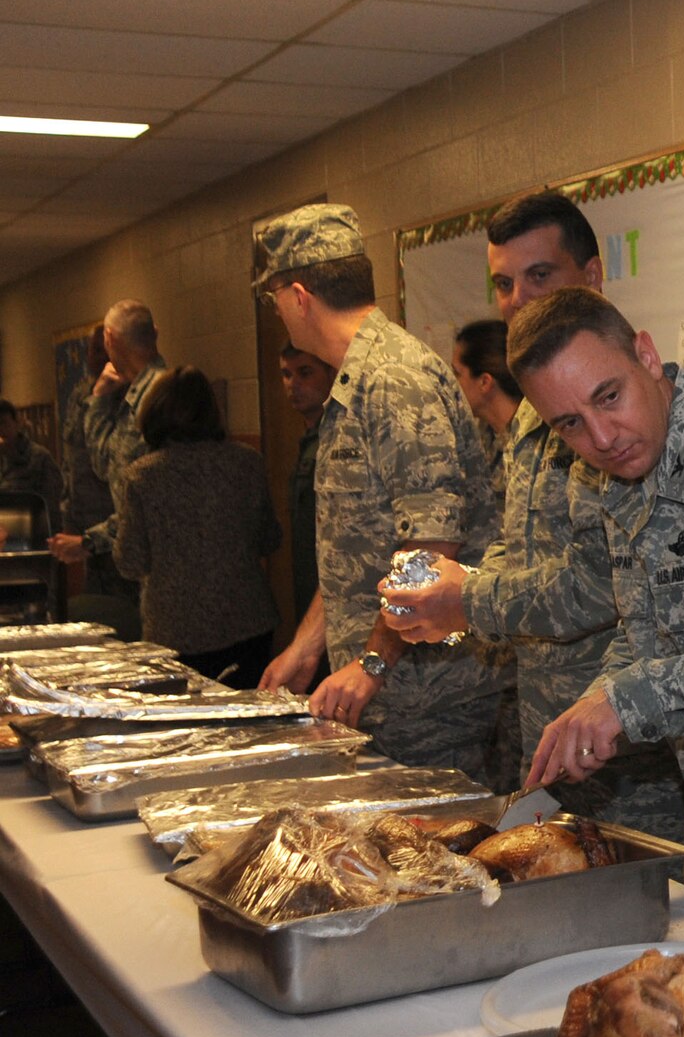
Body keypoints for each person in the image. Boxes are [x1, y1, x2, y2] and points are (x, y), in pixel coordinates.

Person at [387, 288, 684, 921]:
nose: (601, 436)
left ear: (646, 354)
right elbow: (646, 623)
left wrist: (628, 701)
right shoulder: (620, 477)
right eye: (569, 424)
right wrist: (597, 700)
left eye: (607, 397)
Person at [378, 192, 684, 837]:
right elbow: (523, 550)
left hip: (631, 748)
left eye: (539, 275)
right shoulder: (530, 412)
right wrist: (444, 596)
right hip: (550, 731)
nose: (519, 298)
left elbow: (606, 583)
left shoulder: (629, 409)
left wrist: (471, 597)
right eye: (503, 283)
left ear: (592, 277)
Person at [254, 204, 505, 782]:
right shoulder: (356, 379)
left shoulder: (393, 377)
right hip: (386, 688)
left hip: (427, 695)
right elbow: (359, 548)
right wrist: (307, 646)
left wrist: (371, 663)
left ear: (297, 296)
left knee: (430, 862)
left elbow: (431, 546)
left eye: (274, 300)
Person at [112, 367, 280, 687]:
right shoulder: (247, 462)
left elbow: (130, 562)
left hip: (174, 630)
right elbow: (269, 538)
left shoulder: (142, 476)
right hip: (247, 623)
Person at [50, 300, 166, 578]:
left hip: (150, 559)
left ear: (110, 339)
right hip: (127, 547)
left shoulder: (157, 396)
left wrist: (90, 541)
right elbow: (108, 464)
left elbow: (142, 495)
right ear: (155, 334)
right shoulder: (152, 390)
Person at [59, 324, 123, 595]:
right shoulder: (80, 394)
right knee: (97, 605)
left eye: (100, 350)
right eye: (91, 351)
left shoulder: (128, 396)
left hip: (116, 525)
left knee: (122, 608)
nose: (93, 358)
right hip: (85, 524)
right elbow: (71, 455)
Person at [278, 343, 333, 631]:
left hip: (334, 595)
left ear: (331, 373)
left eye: (305, 372)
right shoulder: (310, 439)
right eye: (286, 374)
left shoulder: (336, 437)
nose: (293, 384)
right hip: (309, 588)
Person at [451, 318, 520, 511]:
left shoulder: (530, 443)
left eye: (457, 374)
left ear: (484, 382)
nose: (451, 384)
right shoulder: (481, 435)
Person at [0, 399, 64, 521]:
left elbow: (52, 506)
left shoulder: (39, 457)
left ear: (16, 423)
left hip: (29, 531)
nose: (1, 430)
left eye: (4, 423)